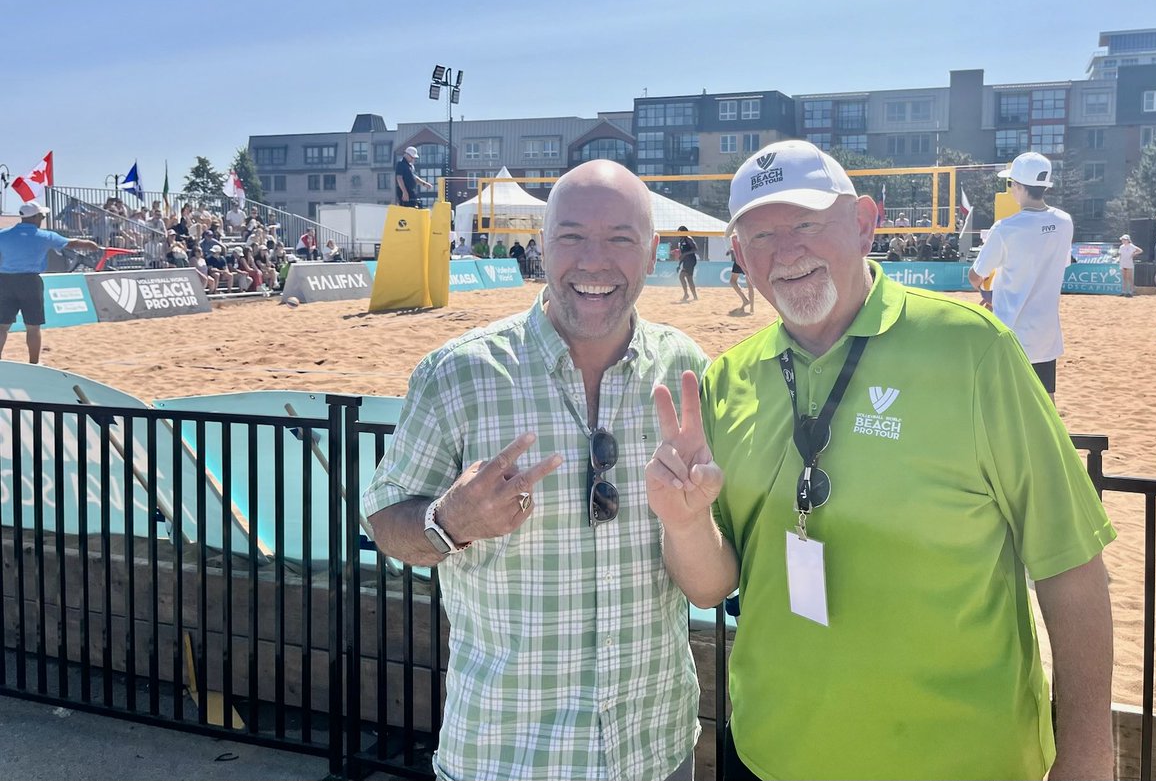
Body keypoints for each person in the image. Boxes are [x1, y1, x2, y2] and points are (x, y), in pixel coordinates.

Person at [648, 140, 1116, 781]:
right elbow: (710, 587)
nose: (786, 253)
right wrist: (683, 523)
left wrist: (1087, 756)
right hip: (770, 753)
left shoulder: (972, 350)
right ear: (738, 254)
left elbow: (1073, 564)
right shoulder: (728, 379)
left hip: (962, 762)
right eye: (760, 236)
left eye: (806, 224)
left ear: (865, 223)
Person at [364, 160, 706, 781]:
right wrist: (449, 522)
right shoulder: (457, 374)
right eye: (572, 236)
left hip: (656, 746)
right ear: (542, 245)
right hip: (509, 755)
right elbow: (385, 521)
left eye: (620, 238)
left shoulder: (684, 367)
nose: (595, 262)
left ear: (653, 250)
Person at [968, 152, 1073, 401]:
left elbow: (975, 276)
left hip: (1011, 329)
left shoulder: (1006, 228)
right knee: (1045, 401)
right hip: (1046, 332)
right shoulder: (1064, 221)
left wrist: (987, 292)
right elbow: (1061, 263)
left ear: (1017, 186)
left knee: (1005, 402)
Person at [0, 201, 100, 364]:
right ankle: (34, 363)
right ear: (35, 217)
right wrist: (90, 244)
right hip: (30, 282)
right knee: (33, 327)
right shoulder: (45, 236)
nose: (42, 219)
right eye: (42, 216)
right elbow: (72, 243)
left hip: (5, 281)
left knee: (2, 326)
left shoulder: (3, 234)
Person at [676, 225, 698, 302]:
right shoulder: (680, 241)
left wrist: (685, 254)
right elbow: (682, 254)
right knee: (689, 279)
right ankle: (695, 296)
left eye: (680, 232)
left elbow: (695, 249)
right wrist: (679, 265)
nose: (678, 234)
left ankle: (686, 294)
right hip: (686, 261)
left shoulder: (688, 239)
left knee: (682, 276)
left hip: (691, 260)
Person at [1117, 233, 1142, 298]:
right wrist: (1119, 260)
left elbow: (1140, 250)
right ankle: (1124, 291)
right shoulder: (1121, 247)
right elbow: (1120, 255)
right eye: (1122, 240)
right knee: (1124, 278)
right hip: (1123, 263)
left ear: (1128, 240)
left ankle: (1131, 292)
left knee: (1129, 278)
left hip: (1129, 264)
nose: (1123, 241)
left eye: (1124, 239)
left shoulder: (1131, 246)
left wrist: (1134, 254)